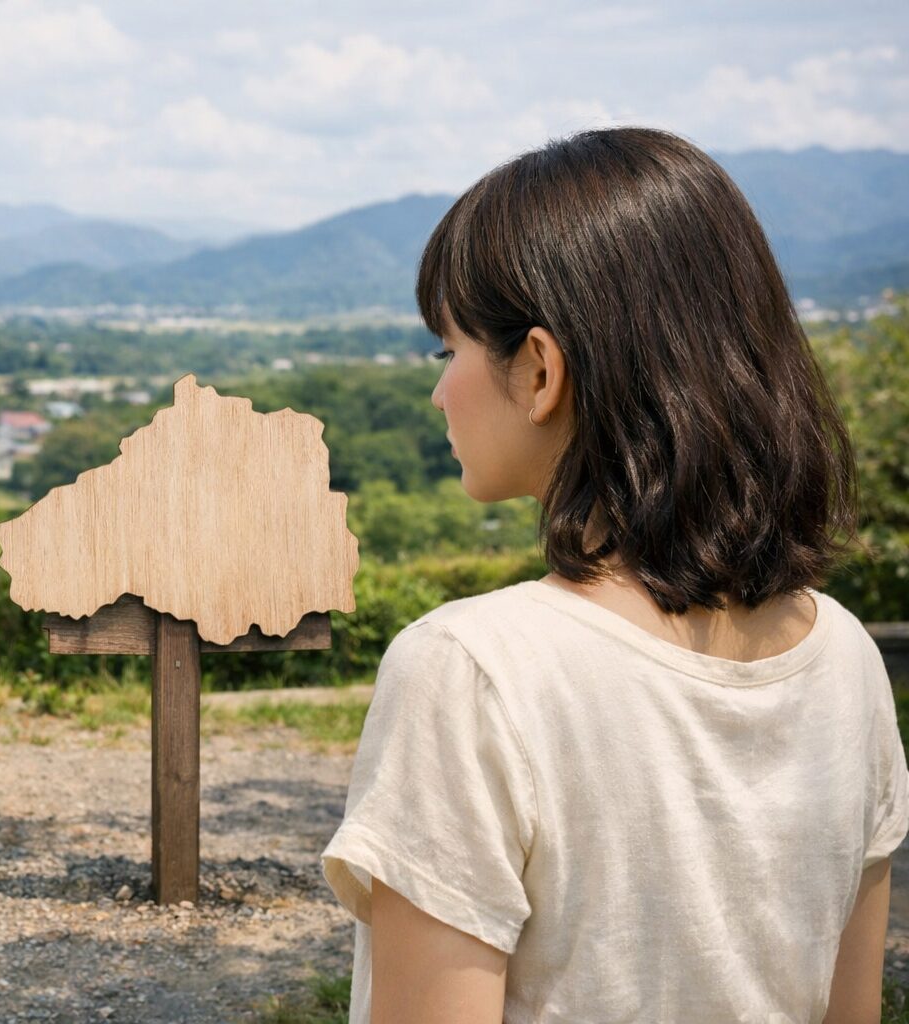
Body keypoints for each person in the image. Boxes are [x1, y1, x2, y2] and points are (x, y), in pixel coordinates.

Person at [319, 127, 907, 1023]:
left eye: (450, 352)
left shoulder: (471, 670)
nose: (439, 392)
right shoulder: (845, 660)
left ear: (541, 369)